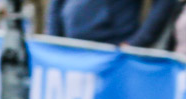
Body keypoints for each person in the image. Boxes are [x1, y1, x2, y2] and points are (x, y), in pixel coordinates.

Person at [47, 0, 178, 47]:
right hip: (69, 51)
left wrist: (136, 42)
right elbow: (55, 6)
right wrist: (55, 41)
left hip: (112, 53)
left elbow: (164, 3)